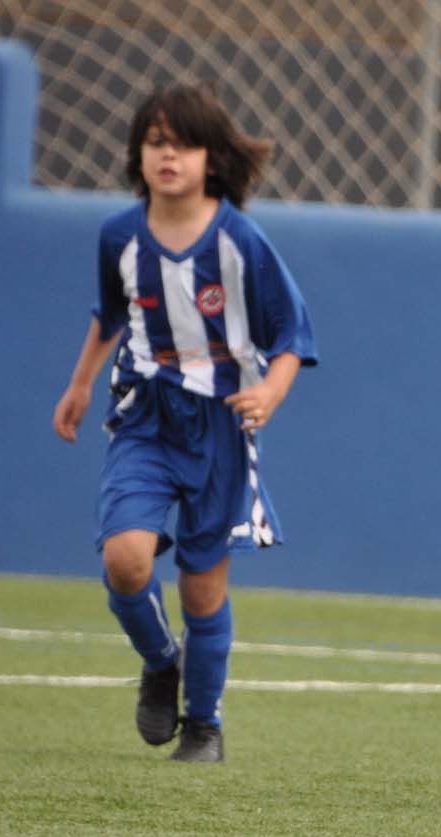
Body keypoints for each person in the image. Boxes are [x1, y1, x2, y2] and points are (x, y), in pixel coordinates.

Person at [52, 83, 317, 764]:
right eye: (154, 142)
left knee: (203, 584)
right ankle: (159, 658)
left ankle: (203, 725)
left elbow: (292, 332)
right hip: (144, 417)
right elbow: (111, 315)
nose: (167, 155)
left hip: (221, 427)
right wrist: (80, 385)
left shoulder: (239, 240)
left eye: (183, 143)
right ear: (138, 155)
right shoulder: (120, 235)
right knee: (125, 556)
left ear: (211, 157)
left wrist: (272, 393)